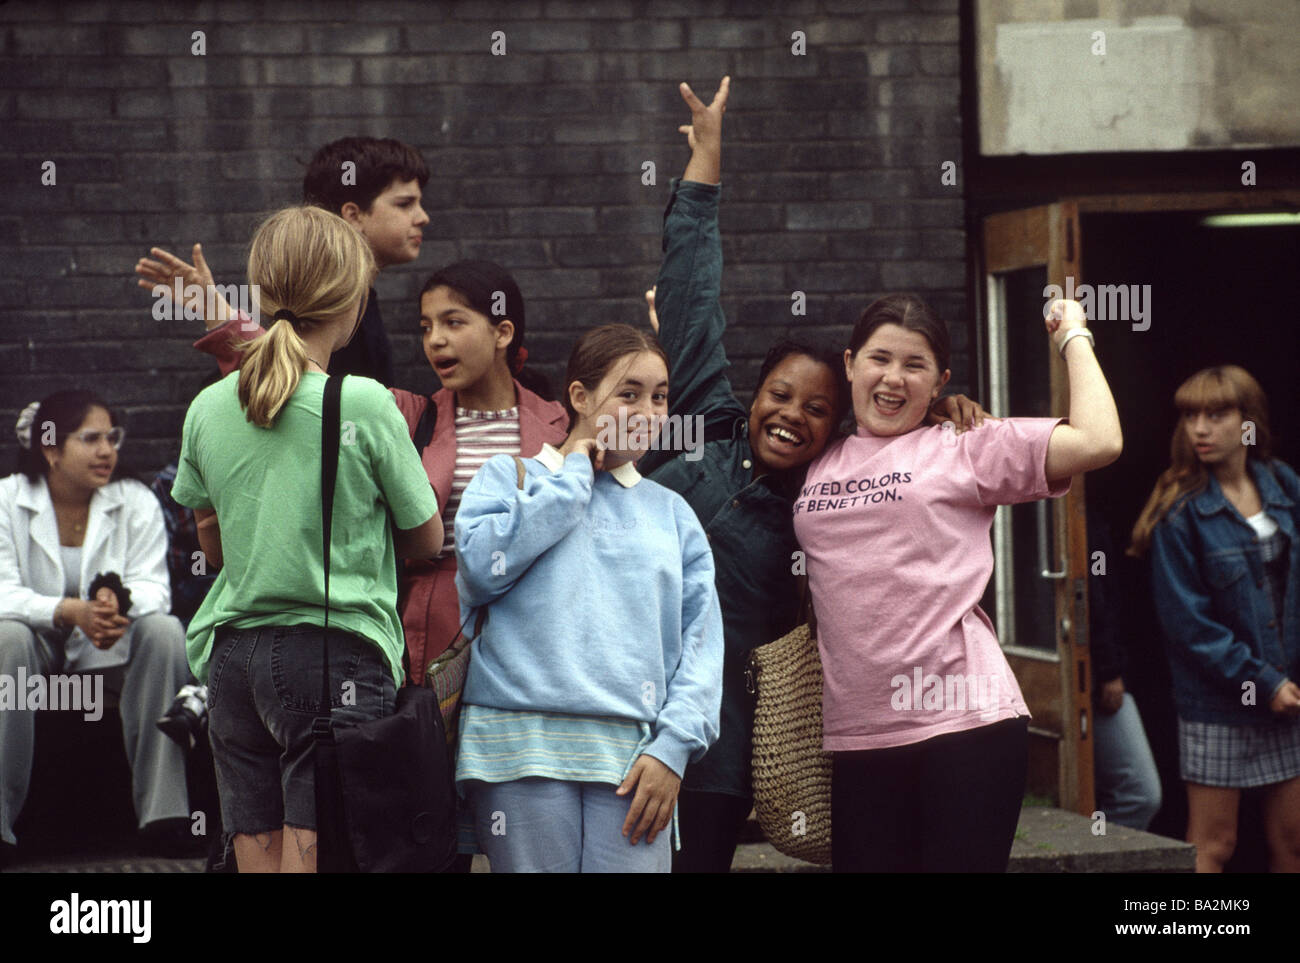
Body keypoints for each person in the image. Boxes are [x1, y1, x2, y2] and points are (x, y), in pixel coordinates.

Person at [637, 77, 987, 872]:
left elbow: (904, 475)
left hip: (713, 751)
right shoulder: (702, 426)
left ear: (839, 427)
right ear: (751, 396)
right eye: (779, 394)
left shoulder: (825, 500)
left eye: (818, 408)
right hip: (614, 713)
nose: (792, 414)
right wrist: (707, 163)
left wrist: (943, 411)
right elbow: (692, 292)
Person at [794, 294, 1122, 872]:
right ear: (849, 364)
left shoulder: (965, 444)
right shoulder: (819, 457)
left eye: (915, 365)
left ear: (940, 380)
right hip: (860, 734)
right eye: (879, 359)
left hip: (965, 724)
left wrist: (1074, 335)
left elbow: (1100, 441)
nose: (894, 379)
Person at [170, 205, 443, 873]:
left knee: (256, 858)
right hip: (332, 658)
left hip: (232, 661)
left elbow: (213, 546)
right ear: (351, 300)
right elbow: (426, 538)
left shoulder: (209, 406)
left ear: (263, 294)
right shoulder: (364, 402)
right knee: (324, 856)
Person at [453, 323, 725, 873]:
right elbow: (481, 571)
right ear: (579, 397)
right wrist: (573, 473)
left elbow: (702, 647)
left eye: (659, 396)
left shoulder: (672, 514)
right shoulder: (508, 478)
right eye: (629, 394)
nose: (649, 410)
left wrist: (672, 749)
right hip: (516, 748)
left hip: (634, 760)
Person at [0, 391, 191, 862]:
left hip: (110, 651)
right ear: (50, 448)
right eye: (91, 439)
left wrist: (114, 604)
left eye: (112, 437)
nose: (108, 450)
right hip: (35, 649)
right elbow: (2, 591)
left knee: (165, 631)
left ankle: (164, 816)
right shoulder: (7, 500)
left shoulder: (134, 501)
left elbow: (154, 587)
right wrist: (68, 611)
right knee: (8, 637)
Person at [1128, 365, 1300, 872]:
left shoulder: (1284, 484)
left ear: (1249, 423)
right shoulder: (1179, 513)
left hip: (1288, 698)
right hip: (1221, 704)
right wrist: (1262, 682)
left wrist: (1283, 684)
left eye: (1216, 414)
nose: (1199, 428)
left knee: (1292, 843)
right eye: (1190, 415)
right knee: (1212, 845)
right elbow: (1189, 626)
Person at [136, 136, 431, 386]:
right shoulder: (332, 319)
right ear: (353, 215)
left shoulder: (360, 308)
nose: (422, 217)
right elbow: (284, 387)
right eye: (404, 204)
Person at [1089, 517, 1161, 831]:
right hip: (1091, 677)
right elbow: (1088, 595)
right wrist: (1109, 670)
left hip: (1107, 670)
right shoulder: (1077, 518)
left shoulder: (1095, 516)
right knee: (1138, 793)